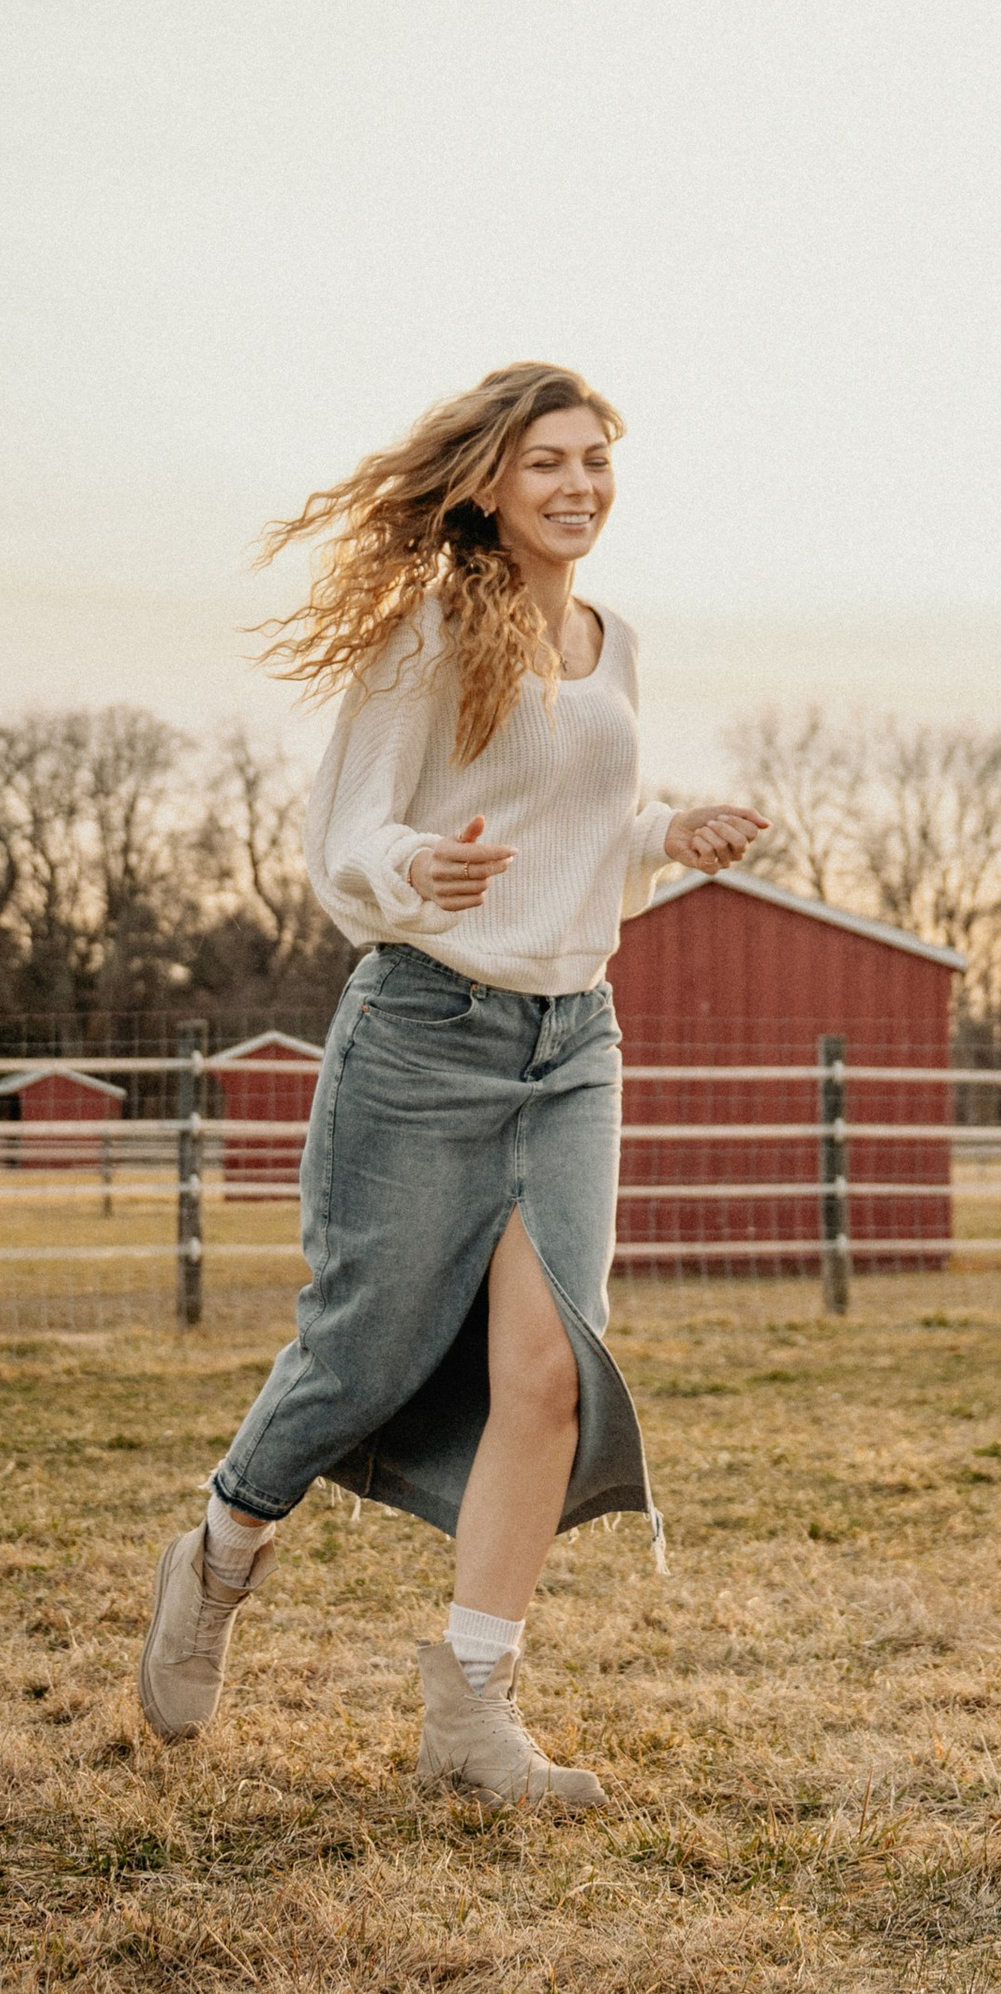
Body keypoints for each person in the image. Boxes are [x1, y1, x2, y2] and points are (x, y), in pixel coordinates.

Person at [135, 361, 766, 1806]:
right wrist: (420, 869)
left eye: (598, 460)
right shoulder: (427, 634)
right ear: (489, 483)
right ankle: (220, 1556)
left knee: (550, 1376)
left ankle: (474, 1712)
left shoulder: (613, 641)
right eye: (549, 462)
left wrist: (677, 829)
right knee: (362, 1354)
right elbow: (348, 834)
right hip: (425, 1027)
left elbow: (582, 821)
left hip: (572, 1040)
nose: (580, 485)